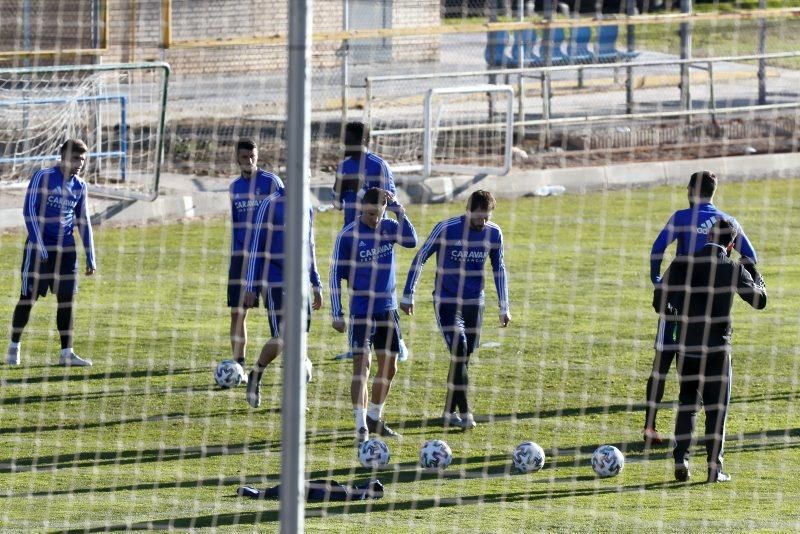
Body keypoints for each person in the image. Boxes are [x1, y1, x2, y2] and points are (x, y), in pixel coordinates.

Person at [644, 170, 759, 445]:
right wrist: (737, 277)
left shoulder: (681, 217)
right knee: (705, 369)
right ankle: (702, 436)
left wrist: (657, 280)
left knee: (662, 362)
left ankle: (650, 428)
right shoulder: (727, 222)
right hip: (710, 312)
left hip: (677, 303)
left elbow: (658, 249)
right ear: (713, 192)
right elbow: (751, 257)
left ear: (690, 191)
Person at [653, 218, 766, 483]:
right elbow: (759, 302)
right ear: (731, 244)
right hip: (717, 350)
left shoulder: (682, 263)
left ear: (706, 237)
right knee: (717, 409)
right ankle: (714, 468)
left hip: (688, 348)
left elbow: (659, 300)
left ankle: (681, 458)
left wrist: (673, 314)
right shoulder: (733, 268)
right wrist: (758, 279)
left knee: (688, 404)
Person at [400, 190, 510, 430]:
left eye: (486, 218)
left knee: (463, 358)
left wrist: (504, 306)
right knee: (459, 348)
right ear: (468, 210)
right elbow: (421, 257)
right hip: (447, 300)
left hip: (475, 303)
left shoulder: (494, 233)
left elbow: (499, 269)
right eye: (478, 217)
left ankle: (448, 412)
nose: (482, 223)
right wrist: (408, 294)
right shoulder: (446, 228)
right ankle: (466, 412)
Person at [329, 188, 418, 444]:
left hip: (387, 309)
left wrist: (398, 209)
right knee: (362, 368)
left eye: (378, 214)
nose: (374, 219)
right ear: (360, 209)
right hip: (360, 311)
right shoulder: (348, 236)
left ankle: (375, 418)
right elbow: (335, 275)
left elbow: (411, 241)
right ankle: (360, 426)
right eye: (369, 214)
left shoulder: (389, 227)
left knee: (390, 367)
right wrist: (337, 312)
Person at [6, 139, 96, 367]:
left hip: (66, 251)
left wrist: (90, 255)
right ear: (64, 157)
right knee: (28, 297)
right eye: (76, 158)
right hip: (39, 249)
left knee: (66, 301)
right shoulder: (43, 176)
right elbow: (29, 211)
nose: (80, 164)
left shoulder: (80, 186)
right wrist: (39, 244)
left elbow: (83, 221)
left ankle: (67, 352)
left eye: (83, 160)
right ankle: (14, 347)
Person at [332, 121, 409, 362]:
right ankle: (358, 345)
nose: (345, 144)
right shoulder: (343, 166)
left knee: (381, 291)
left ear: (364, 141)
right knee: (355, 287)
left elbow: (391, 201)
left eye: (350, 139)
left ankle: (399, 343)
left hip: (377, 236)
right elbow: (336, 201)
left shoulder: (380, 165)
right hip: (352, 236)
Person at [242, 188, 323, 408]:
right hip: (275, 280)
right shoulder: (270, 204)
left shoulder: (306, 204)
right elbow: (256, 246)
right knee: (285, 337)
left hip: (302, 283)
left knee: (300, 339)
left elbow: (310, 245)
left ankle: (293, 396)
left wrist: (316, 282)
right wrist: (251, 285)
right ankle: (257, 374)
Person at [227, 139, 284, 368]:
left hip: (268, 258)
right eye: (244, 157)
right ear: (237, 159)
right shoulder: (234, 188)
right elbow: (236, 225)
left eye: (253, 156)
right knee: (237, 312)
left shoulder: (271, 182)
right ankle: (238, 363)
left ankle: (288, 358)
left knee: (279, 313)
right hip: (241, 258)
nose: (249, 161)